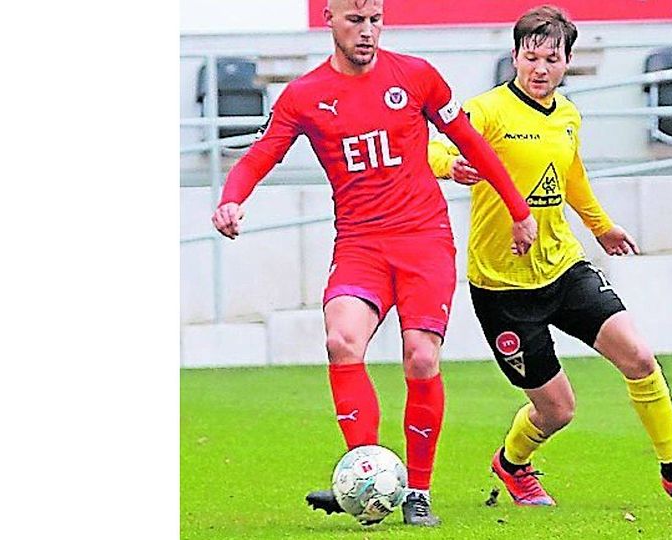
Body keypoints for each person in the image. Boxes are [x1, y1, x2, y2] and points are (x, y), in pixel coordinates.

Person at [212, 0, 538, 527]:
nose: (367, 32)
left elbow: (470, 142)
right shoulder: (305, 95)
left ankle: (419, 490)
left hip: (423, 241)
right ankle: (364, 478)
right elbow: (261, 153)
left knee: (421, 358)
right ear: (331, 21)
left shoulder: (415, 76)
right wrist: (232, 196)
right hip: (360, 245)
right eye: (355, 21)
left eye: (375, 20)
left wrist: (519, 211)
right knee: (341, 339)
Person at [427, 5, 672, 506]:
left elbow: (573, 180)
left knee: (638, 356)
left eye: (552, 58)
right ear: (515, 56)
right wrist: (449, 166)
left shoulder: (568, 114)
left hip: (564, 266)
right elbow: (428, 147)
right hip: (503, 286)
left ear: (566, 62)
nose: (540, 68)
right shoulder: (485, 111)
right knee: (557, 411)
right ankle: (511, 465)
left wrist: (602, 227)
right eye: (531, 57)